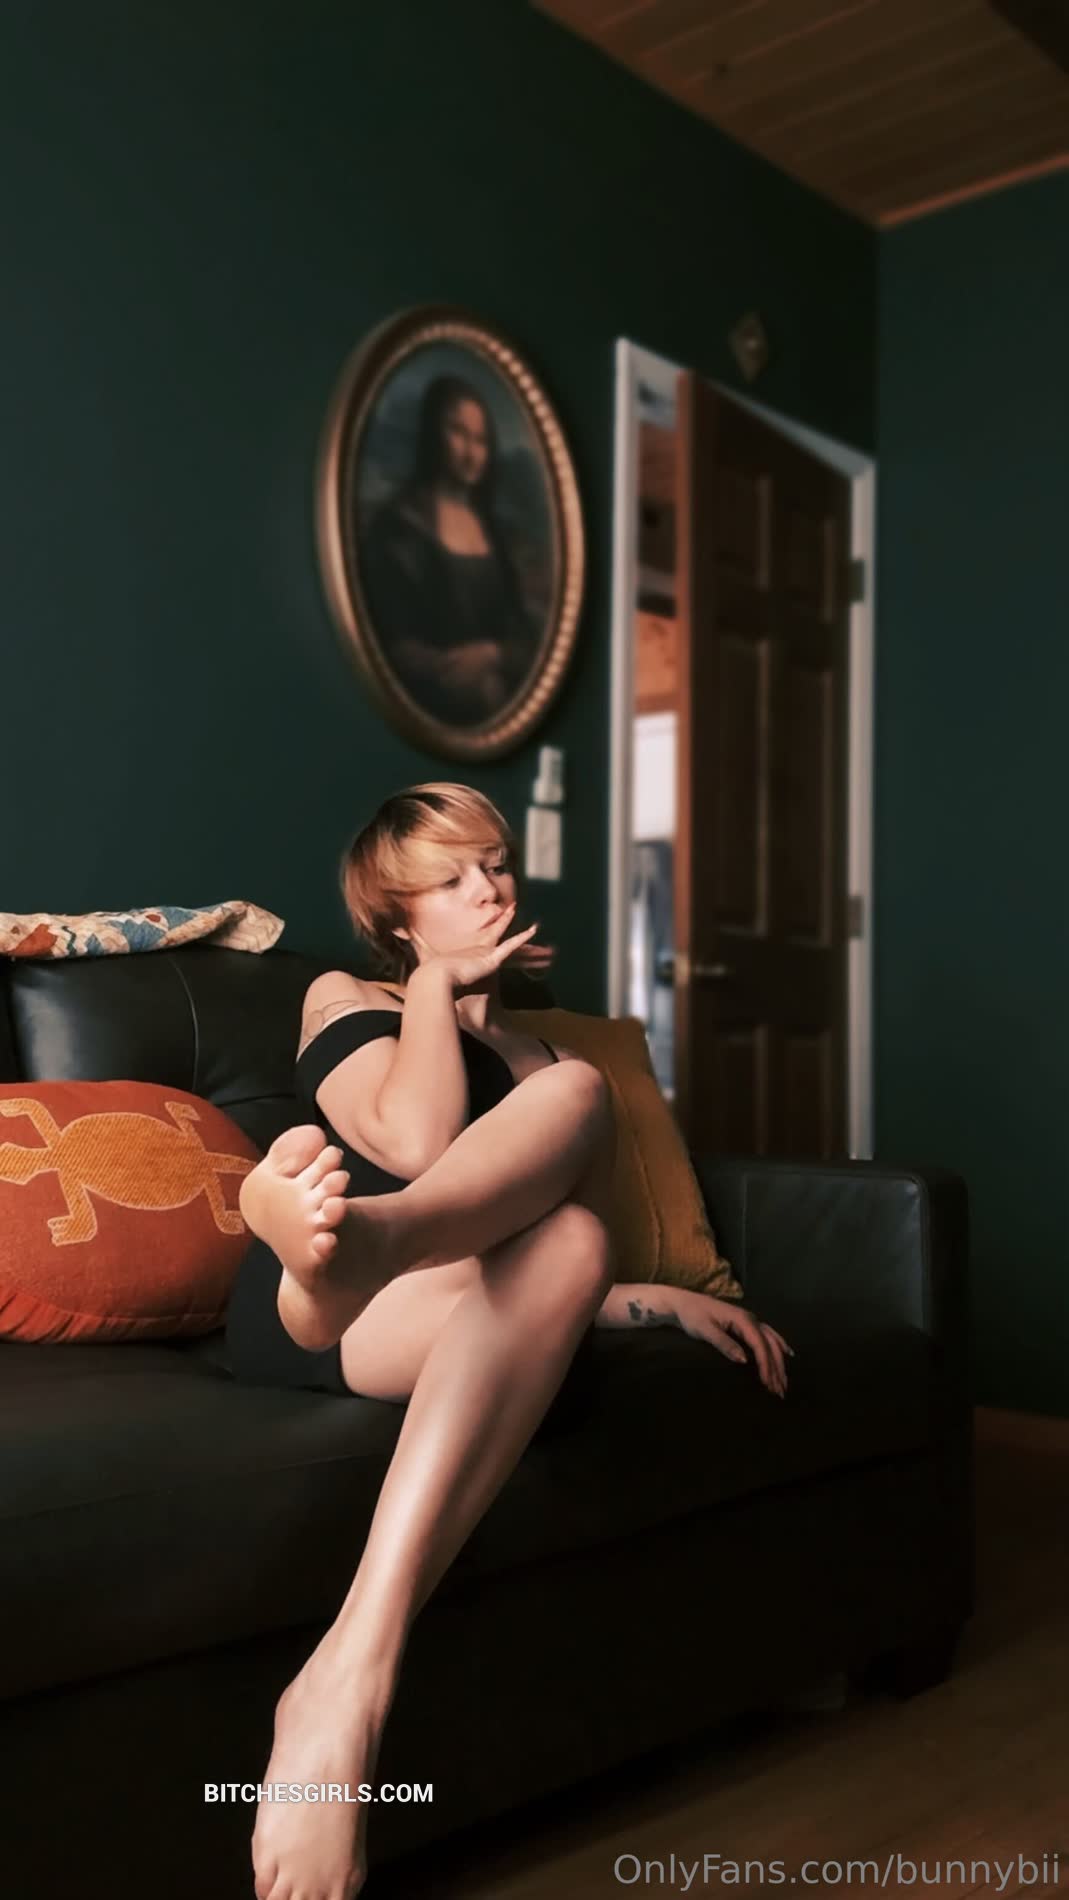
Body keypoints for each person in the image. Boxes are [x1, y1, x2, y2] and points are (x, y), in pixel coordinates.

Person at [227, 781, 793, 1900]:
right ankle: (350, 1248)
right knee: (531, 1143)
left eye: (493, 865)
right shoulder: (346, 997)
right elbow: (414, 1137)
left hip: (387, 1284)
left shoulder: (541, 1063)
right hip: (314, 1308)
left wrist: (655, 1299)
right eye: (449, 879)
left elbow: (535, 1274)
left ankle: (349, 1674)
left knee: (576, 1215)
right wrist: (437, 989)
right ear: (396, 917)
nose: (487, 890)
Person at [359, 375, 540, 726]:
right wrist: (449, 669)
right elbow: (388, 637)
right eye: (458, 433)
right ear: (433, 434)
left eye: (480, 440)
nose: (471, 453)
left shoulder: (495, 533)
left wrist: (494, 655)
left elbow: (520, 629)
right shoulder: (398, 527)